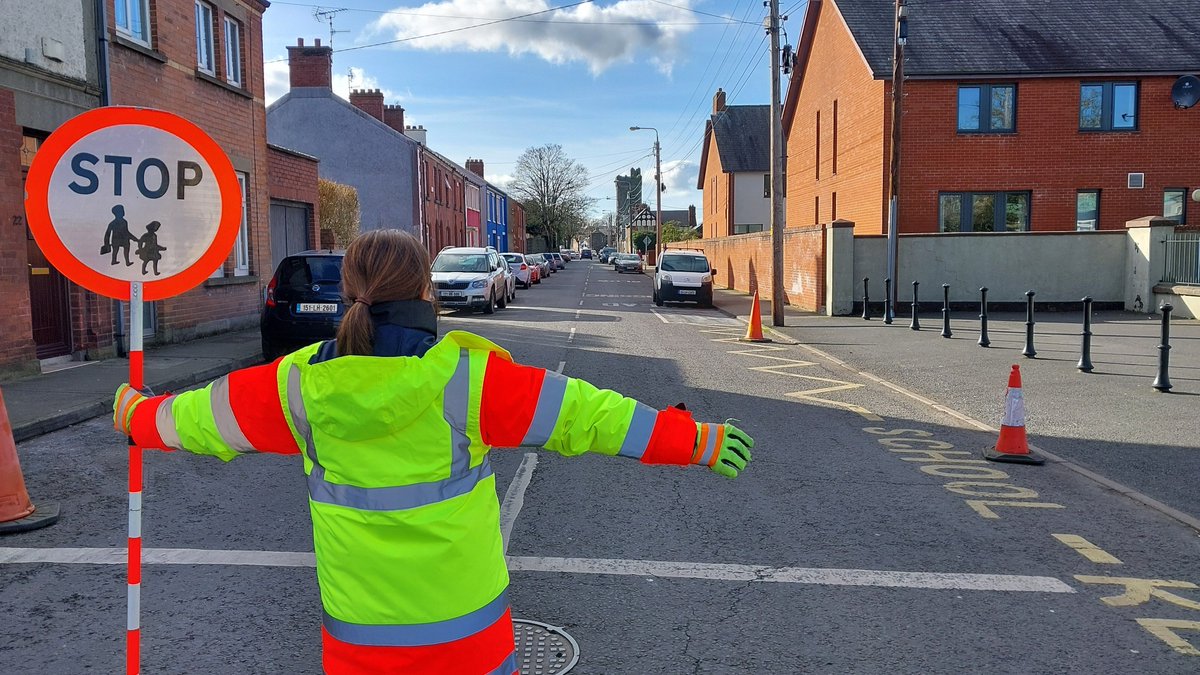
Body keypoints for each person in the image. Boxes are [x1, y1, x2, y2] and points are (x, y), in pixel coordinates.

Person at [113, 229, 753, 675]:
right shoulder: (468, 381)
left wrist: (133, 414)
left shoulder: (297, 388)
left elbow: (192, 419)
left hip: (360, 649)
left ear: (349, 296)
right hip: (469, 642)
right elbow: (591, 416)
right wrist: (691, 439)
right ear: (427, 296)